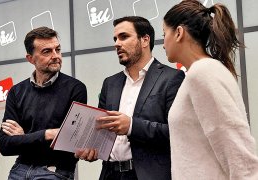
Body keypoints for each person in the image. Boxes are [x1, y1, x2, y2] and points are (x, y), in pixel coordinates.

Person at [76, 16, 185, 180]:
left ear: (145, 40)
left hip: (146, 175)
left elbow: (177, 133)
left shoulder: (172, 78)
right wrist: (93, 149)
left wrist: (132, 126)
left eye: (124, 37)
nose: (117, 43)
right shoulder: (110, 83)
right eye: (115, 38)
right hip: (110, 174)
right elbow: (102, 134)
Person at [163, 0, 258, 179]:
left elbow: (235, 146)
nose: (163, 43)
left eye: (164, 33)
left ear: (178, 33)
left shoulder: (203, 72)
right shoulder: (200, 72)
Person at [0, 26, 87, 180]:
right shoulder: (16, 91)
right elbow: (5, 145)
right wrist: (48, 134)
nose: (56, 56)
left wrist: (24, 137)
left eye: (57, 50)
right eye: (47, 52)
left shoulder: (76, 88)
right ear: (30, 58)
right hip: (20, 168)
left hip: (55, 170)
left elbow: (70, 142)